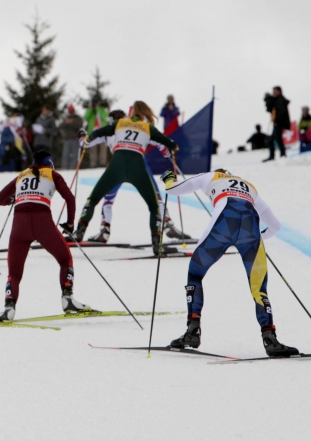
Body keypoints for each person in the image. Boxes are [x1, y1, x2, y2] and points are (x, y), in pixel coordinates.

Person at [161, 168, 298, 357]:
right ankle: (270, 339)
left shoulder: (211, 175)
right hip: (250, 229)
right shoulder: (250, 186)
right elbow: (275, 226)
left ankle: (193, 330)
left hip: (224, 222)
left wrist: (169, 179)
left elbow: (172, 190)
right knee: (259, 288)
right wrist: (257, 238)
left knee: (195, 274)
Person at [0, 150, 90, 321]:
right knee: (65, 259)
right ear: (50, 163)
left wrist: (12, 200)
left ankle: (9, 308)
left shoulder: (21, 175)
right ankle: (67, 299)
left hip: (19, 225)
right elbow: (70, 199)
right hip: (43, 222)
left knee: (14, 273)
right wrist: (70, 223)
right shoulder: (53, 174)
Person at [72, 101, 177, 255]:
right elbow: (165, 144)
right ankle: (158, 239)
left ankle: (83, 230)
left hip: (116, 166)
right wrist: (172, 150)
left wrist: (83, 138)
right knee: (154, 204)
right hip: (138, 166)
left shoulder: (118, 125)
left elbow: (94, 136)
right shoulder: (147, 127)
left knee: (97, 199)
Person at [87, 110, 188, 244]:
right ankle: (166, 224)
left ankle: (105, 230)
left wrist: (83, 137)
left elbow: (86, 143)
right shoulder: (122, 128)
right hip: (135, 165)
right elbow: (158, 142)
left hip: (119, 167)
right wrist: (167, 152)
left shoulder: (111, 131)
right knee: (154, 198)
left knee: (108, 199)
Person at [263, 86, 290, 161]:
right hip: (277, 123)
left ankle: (280, 155)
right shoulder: (277, 100)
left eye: (275, 91)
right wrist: (268, 100)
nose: (273, 93)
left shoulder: (280, 100)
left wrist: (277, 121)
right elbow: (270, 109)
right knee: (276, 139)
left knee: (274, 139)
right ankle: (281, 155)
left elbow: (280, 112)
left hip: (278, 123)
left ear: (279, 91)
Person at [83, 99, 109, 168]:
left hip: (102, 131)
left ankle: (102, 162)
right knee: (93, 149)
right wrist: (91, 109)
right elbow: (85, 117)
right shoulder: (90, 111)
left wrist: (98, 109)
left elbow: (105, 117)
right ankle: (93, 164)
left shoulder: (102, 110)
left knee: (102, 148)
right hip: (92, 132)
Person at [59, 104, 84, 169]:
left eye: (72, 111)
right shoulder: (66, 119)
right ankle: (64, 168)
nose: (71, 112)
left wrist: (72, 122)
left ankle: (73, 168)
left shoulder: (78, 118)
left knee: (75, 155)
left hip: (75, 139)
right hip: (67, 139)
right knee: (65, 155)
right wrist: (66, 123)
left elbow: (80, 125)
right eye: (70, 111)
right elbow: (61, 126)